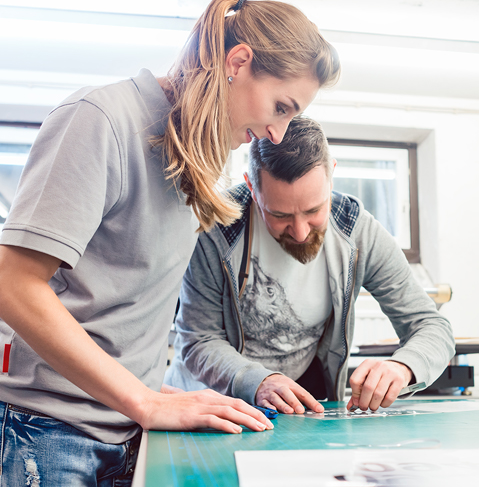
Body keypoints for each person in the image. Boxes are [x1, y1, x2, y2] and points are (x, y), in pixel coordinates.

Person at [0, 0, 340, 487]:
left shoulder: (194, 158)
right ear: (238, 62)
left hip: (128, 428)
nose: (276, 131)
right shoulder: (100, 119)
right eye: (280, 106)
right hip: (52, 433)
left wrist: (151, 396)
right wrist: (147, 401)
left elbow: (118, 308)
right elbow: (13, 283)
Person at [165, 116, 455, 416]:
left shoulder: (360, 232)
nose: (301, 232)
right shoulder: (215, 228)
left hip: (294, 409)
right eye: (279, 215)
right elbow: (199, 340)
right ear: (252, 186)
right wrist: (258, 380)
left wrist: (403, 366)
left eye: (314, 210)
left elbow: (432, 327)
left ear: (331, 175)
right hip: (209, 406)